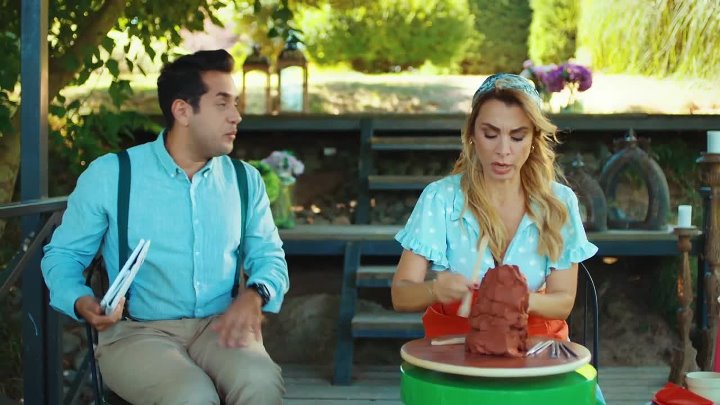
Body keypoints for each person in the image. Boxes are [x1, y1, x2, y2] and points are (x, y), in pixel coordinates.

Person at [41, 49, 288, 405]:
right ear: (182, 111)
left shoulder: (245, 180)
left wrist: (255, 294)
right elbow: (63, 256)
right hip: (136, 333)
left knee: (261, 384)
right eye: (222, 104)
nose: (236, 116)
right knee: (192, 397)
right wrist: (81, 301)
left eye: (235, 104)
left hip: (219, 329)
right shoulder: (112, 175)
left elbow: (270, 257)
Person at [390, 73, 604, 402]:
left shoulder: (558, 203)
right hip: (456, 356)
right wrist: (434, 290)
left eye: (517, 136)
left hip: (536, 355)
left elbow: (562, 302)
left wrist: (513, 299)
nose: (503, 151)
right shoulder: (441, 199)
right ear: (472, 135)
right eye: (490, 134)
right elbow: (400, 295)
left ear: (534, 139)